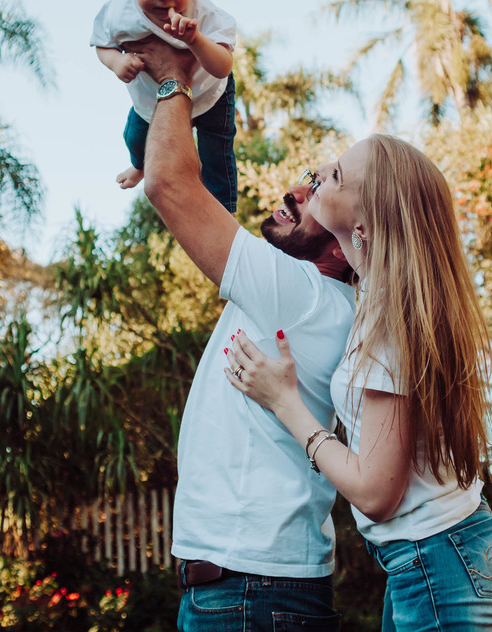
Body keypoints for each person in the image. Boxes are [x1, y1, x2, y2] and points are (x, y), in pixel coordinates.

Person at [223, 134, 492, 631]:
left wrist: (284, 401)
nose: (318, 172)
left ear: (363, 224)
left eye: (334, 175)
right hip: (435, 554)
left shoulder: (387, 324)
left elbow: (376, 493)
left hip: (436, 559)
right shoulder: (384, 300)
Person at [119, 35, 356, 631]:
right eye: (307, 176)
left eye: (321, 187)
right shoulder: (304, 295)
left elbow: (171, 185)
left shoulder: (301, 294)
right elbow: (199, 186)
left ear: (352, 232)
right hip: (249, 590)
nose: (295, 190)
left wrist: (173, 78)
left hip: (251, 595)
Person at [90, 0, 238, 211]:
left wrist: (195, 40)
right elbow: (101, 45)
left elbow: (223, 65)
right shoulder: (118, 12)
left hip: (211, 95)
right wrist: (117, 62)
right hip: (151, 102)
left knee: (217, 155)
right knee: (134, 138)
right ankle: (139, 165)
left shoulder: (206, 15)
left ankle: (223, 211)